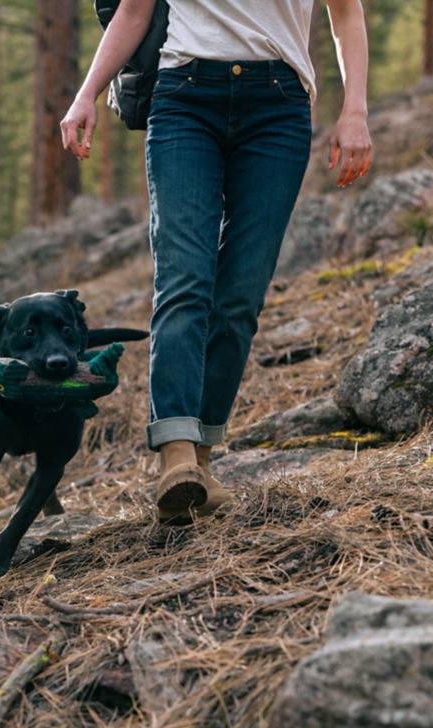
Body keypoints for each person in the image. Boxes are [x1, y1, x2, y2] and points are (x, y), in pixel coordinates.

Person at [60, 0, 372, 523]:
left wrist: (355, 110)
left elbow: (346, 16)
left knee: (240, 296)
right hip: (185, 98)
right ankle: (176, 454)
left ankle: (199, 463)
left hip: (279, 109)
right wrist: (85, 93)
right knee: (184, 280)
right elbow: (134, 12)